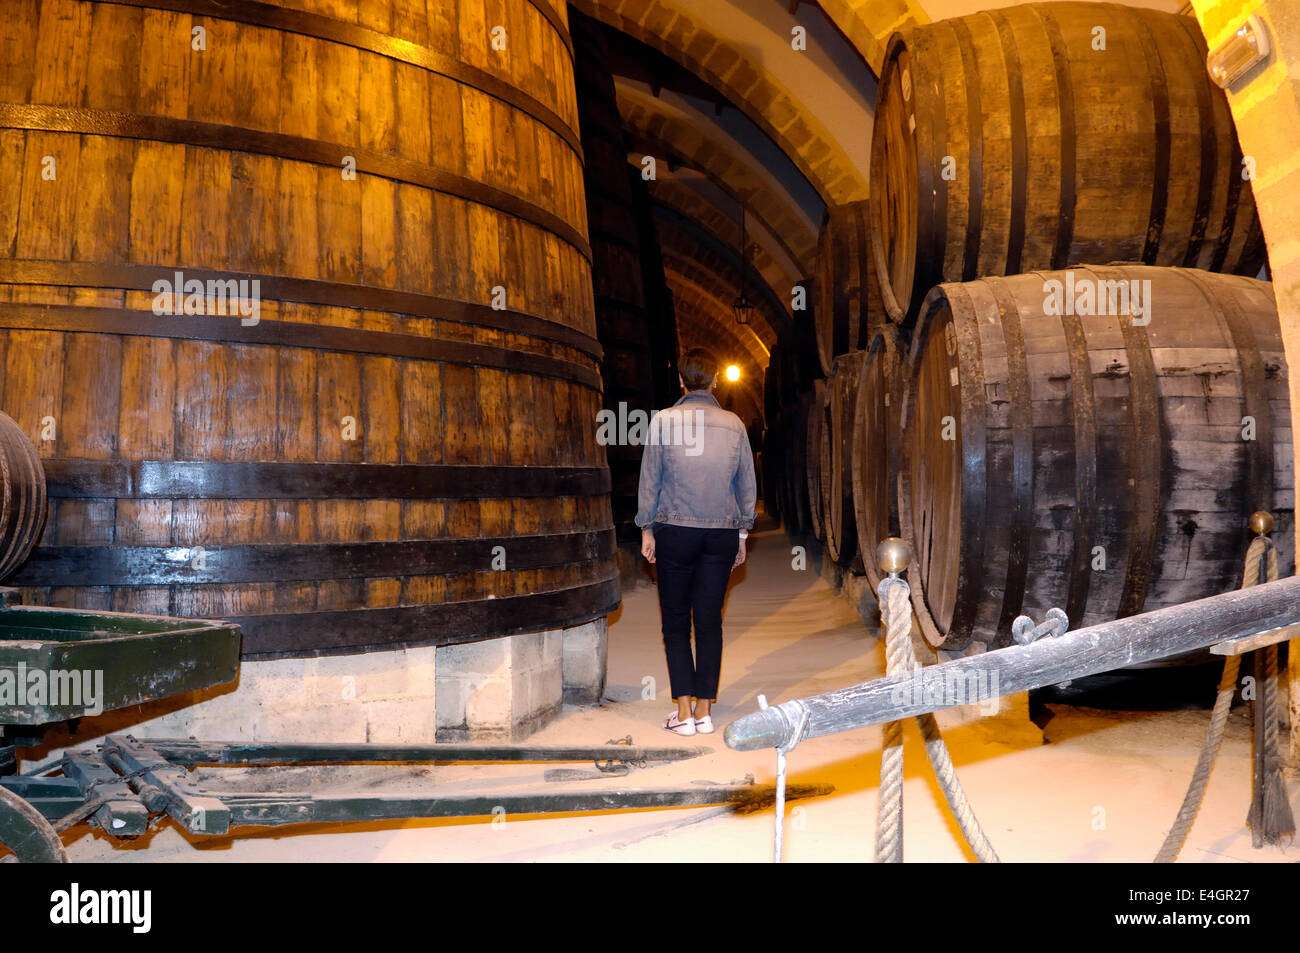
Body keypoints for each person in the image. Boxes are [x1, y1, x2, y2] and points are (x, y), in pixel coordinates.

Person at [635, 347, 756, 736]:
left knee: (674, 623)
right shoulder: (735, 424)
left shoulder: (664, 421)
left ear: (682, 381)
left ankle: (683, 713)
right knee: (709, 622)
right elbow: (746, 485)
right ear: (716, 380)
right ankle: (705, 712)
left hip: (675, 531)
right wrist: (742, 533)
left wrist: (646, 527)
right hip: (720, 533)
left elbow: (650, 480)